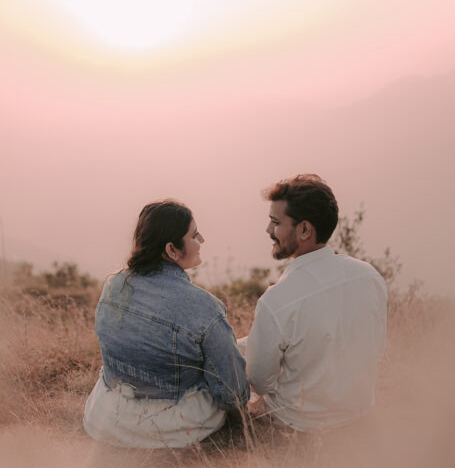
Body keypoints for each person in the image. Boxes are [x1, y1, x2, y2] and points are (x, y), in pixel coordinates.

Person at [83, 200, 249, 448]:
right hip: (170, 428)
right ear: (172, 250)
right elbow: (232, 394)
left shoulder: (114, 285)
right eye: (194, 235)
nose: (201, 240)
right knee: (243, 349)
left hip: (105, 421)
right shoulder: (204, 306)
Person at [240, 174, 388, 432]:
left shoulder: (277, 300)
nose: (268, 231)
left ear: (305, 229)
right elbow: (377, 348)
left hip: (299, 425)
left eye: (275, 223)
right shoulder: (369, 276)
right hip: (358, 415)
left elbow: (260, 382)